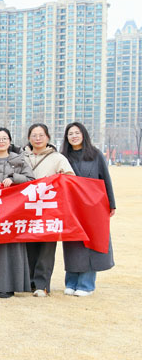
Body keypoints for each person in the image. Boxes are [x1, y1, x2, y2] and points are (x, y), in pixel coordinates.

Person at [60, 122, 115, 296]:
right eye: (70, 134)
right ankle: (71, 282)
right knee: (73, 244)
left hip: (94, 206)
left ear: (84, 134)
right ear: (66, 137)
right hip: (72, 207)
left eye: (77, 133)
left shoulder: (96, 155)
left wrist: (111, 203)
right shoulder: (63, 157)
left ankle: (86, 285)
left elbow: (106, 179)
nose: (74, 136)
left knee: (91, 243)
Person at [0, 128, 35, 298]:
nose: (1, 141)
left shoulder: (19, 160)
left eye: (4, 138)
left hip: (13, 210)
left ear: (10, 141)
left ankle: (8, 286)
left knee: (11, 247)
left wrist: (14, 179)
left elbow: (32, 180)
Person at [23, 123, 75, 297]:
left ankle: (42, 285)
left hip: (49, 210)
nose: (37, 138)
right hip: (26, 208)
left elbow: (70, 179)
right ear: (29, 138)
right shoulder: (22, 156)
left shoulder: (57, 158)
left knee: (46, 248)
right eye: (34, 135)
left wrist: (53, 181)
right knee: (28, 246)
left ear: (48, 137)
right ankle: (29, 282)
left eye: (41, 135)